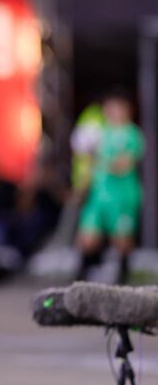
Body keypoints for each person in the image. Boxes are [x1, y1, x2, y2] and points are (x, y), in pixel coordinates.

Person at [75, 90, 144, 284]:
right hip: (99, 196)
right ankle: (80, 280)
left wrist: (99, 158)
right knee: (87, 238)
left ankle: (124, 279)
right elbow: (88, 161)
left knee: (122, 241)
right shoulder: (100, 133)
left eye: (116, 107)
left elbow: (124, 165)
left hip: (122, 197)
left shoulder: (132, 134)